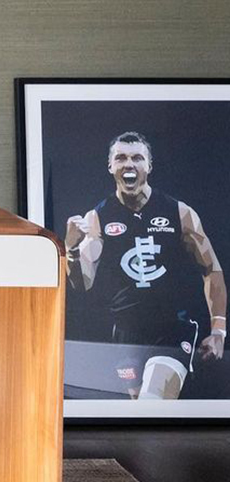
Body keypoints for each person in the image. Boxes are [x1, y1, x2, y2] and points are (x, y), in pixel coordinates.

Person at [65, 131, 226, 400]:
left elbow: (212, 269)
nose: (129, 164)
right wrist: (70, 248)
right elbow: (84, 282)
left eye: (137, 158)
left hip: (172, 329)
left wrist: (219, 329)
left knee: (153, 401)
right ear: (111, 167)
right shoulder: (98, 217)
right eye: (121, 158)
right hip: (126, 336)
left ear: (148, 166)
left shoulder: (180, 213)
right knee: (142, 412)